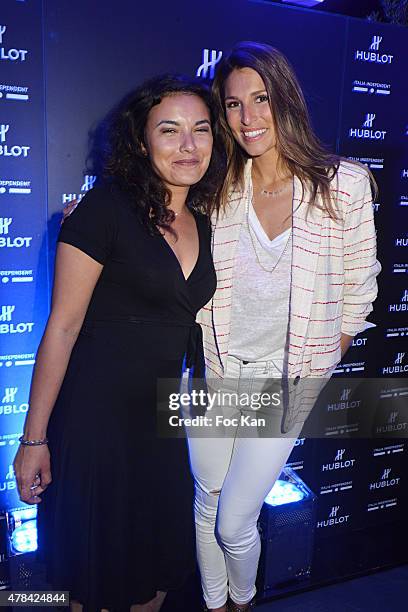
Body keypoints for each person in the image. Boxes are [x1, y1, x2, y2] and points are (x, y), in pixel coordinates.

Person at [12, 74, 224, 612]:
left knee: (154, 573)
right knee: (92, 577)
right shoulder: (103, 209)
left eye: (201, 130)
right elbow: (62, 326)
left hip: (160, 422)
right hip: (94, 425)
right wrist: (33, 439)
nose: (188, 145)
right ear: (141, 141)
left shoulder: (203, 219)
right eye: (169, 130)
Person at [189, 41, 381, 612]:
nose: (248, 118)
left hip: (284, 386)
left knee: (234, 521)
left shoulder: (343, 185)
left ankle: (240, 601)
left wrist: (313, 368)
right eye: (232, 105)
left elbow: (358, 293)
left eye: (261, 99)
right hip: (214, 373)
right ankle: (211, 601)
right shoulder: (215, 190)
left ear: (286, 99)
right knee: (205, 499)